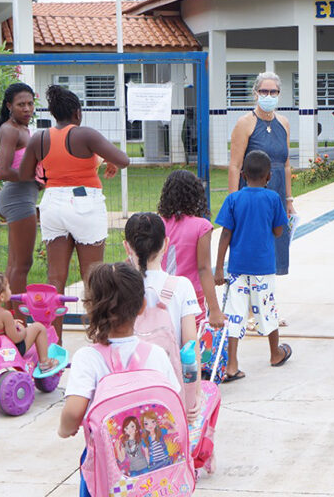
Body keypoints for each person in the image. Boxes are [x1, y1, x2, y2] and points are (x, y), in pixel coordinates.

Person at [18, 85, 130, 338]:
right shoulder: (85, 134)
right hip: (85, 203)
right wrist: (105, 158)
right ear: (77, 113)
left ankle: (52, 341)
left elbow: (25, 175)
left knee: (55, 277)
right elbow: (123, 159)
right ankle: (99, 336)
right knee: (93, 277)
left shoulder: (39, 138)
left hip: (52, 203)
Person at [58, 262, 179, 438]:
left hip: (107, 461)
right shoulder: (156, 354)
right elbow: (173, 403)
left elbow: (73, 412)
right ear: (142, 306)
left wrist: (64, 430)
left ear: (90, 307)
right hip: (153, 458)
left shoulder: (87, 358)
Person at [213, 150, 292, 382]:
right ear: (269, 177)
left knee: (235, 314)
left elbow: (225, 234)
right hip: (263, 269)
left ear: (243, 174)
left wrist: (219, 268)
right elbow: (279, 230)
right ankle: (275, 353)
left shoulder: (233, 199)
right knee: (267, 310)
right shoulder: (273, 199)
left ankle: (232, 364)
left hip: (237, 269)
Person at [123, 212, 203, 418]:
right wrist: (194, 394)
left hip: (128, 391)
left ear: (127, 247)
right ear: (166, 244)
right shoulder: (181, 286)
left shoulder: (119, 286)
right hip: (169, 391)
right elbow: (189, 346)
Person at [227, 72, 295, 276]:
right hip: (252, 197)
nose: (268, 95)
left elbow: (286, 165)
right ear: (256, 93)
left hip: (277, 196)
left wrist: (289, 200)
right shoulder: (245, 123)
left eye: (273, 91)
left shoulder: (283, 123)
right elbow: (234, 165)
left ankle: (265, 299)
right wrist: (233, 201)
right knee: (251, 247)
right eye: (264, 91)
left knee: (275, 249)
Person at [0, 83, 40, 312]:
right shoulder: (10, 130)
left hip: (22, 196)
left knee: (14, 264)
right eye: (21, 104)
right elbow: (3, 171)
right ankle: (17, 320)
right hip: (17, 198)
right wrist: (35, 179)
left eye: (30, 103)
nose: (27, 109)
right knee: (22, 264)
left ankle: (8, 317)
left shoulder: (22, 129)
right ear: (9, 106)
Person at [157, 170, 225, 328]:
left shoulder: (157, 224)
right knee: (192, 345)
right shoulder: (202, 226)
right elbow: (203, 269)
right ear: (197, 196)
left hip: (162, 294)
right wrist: (214, 310)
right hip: (191, 296)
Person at [0, 271, 58, 372]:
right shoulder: (4, 314)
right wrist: (23, 329)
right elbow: (16, 338)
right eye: (8, 288)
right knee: (38, 327)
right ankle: (45, 362)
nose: (10, 290)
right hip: (10, 351)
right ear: (2, 296)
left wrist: (11, 324)